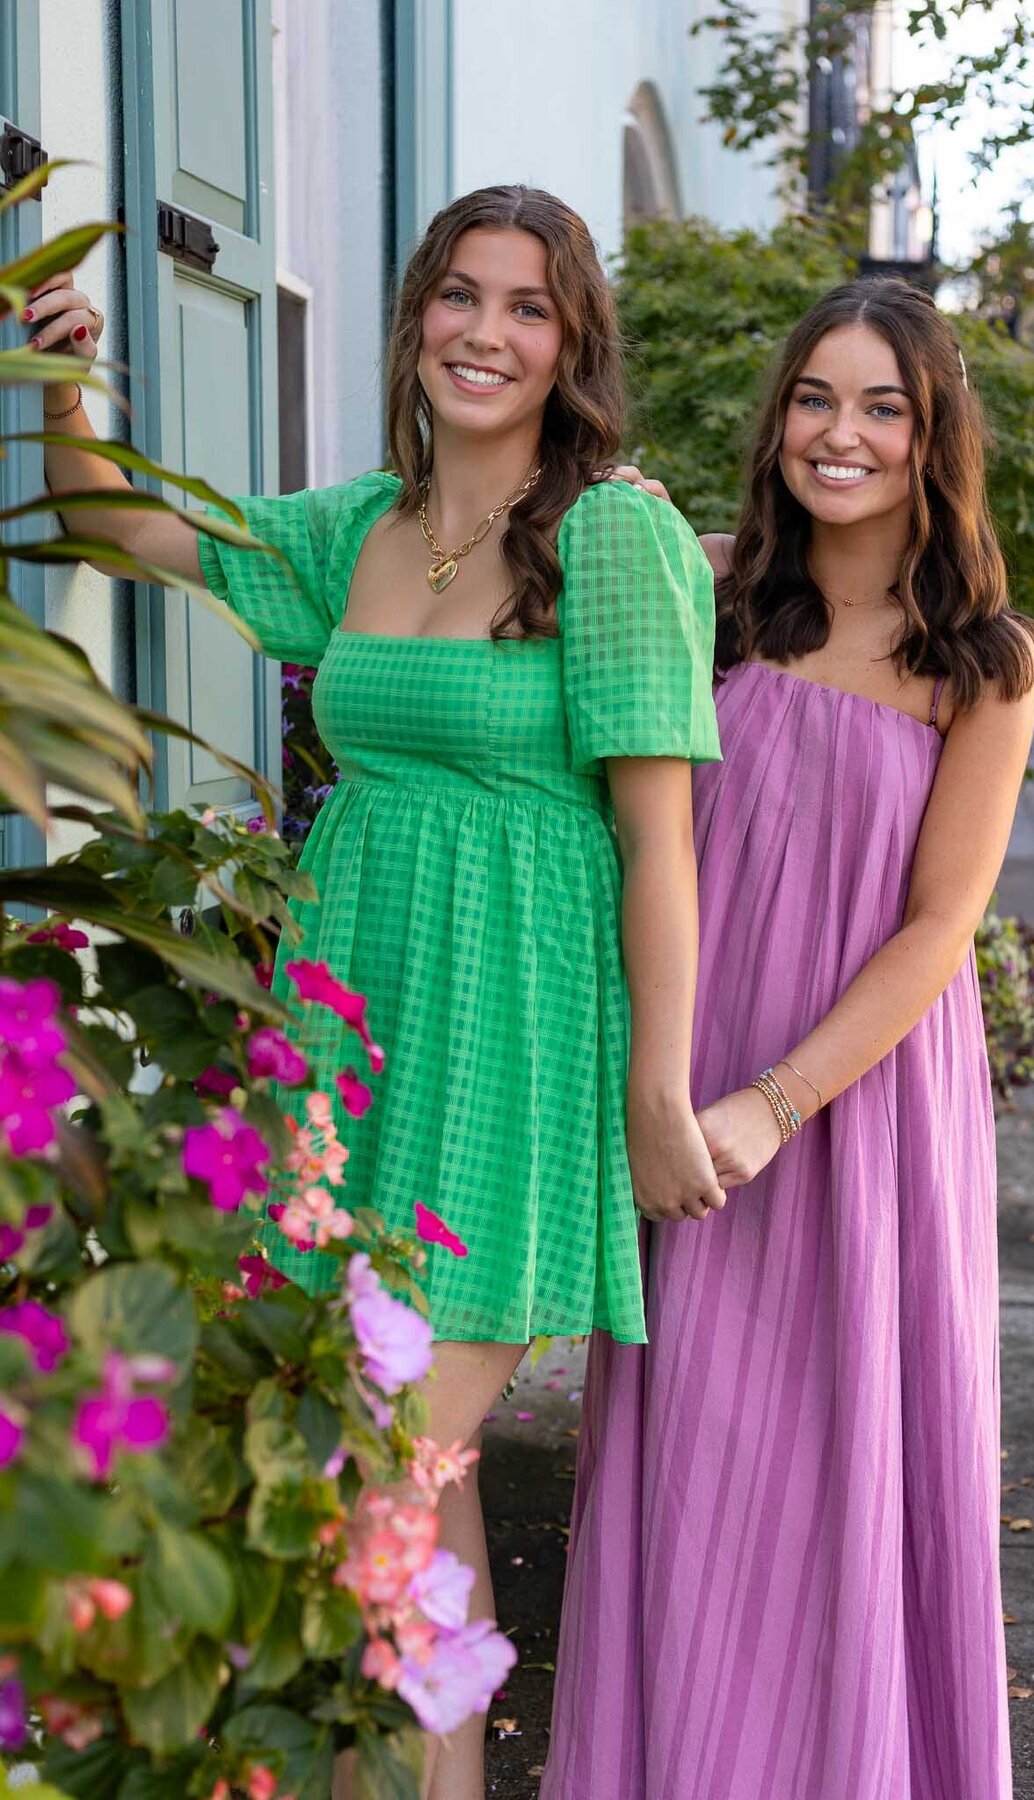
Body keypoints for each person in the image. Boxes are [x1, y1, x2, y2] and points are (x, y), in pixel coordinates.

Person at [30, 183, 723, 1800]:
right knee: (417, 1484)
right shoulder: (368, 524)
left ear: (573, 348)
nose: (486, 331)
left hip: (512, 1031)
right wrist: (64, 383)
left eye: (528, 307)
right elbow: (126, 532)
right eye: (458, 297)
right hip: (346, 1033)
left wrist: (658, 1088)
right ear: (415, 320)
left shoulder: (612, 534)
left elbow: (660, 842)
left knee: (375, 1470)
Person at [544, 278, 1034, 1800]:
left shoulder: (983, 661)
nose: (843, 433)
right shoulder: (703, 595)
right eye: (816, 399)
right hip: (686, 1089)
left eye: (883, 405)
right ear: (776, 428)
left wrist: (781, 1102)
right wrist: (603, 509)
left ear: (931, 436)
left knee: (855, 1471)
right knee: (700, 1471)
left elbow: (937, 928)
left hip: (861, 1110)